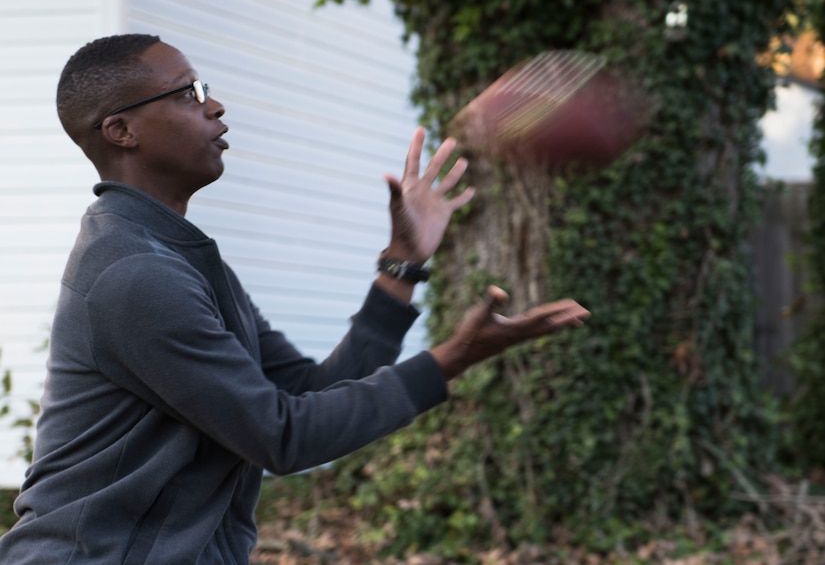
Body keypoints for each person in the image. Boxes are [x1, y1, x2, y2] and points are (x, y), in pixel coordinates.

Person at [0, 34, 589, 564]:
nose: (215, 105)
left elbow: (307, 392)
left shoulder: (180, 258)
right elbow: (284, 436)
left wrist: (402, 268)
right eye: (187, 93)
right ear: (121, 131)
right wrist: (452, 358)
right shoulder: (135, 275)